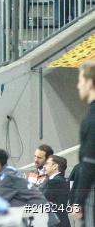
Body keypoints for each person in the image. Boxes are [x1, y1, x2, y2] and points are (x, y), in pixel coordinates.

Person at [72, 60, 94, 227]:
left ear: (89, 82)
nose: (78, 86)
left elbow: (89, 161)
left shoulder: (92, 119)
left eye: (80, 80)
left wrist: (78, 200)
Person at [41, 155, 71, 227]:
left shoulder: (55, 182)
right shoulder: (59, 180)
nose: (44, 166)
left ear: (55, 166)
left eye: (47, 163)